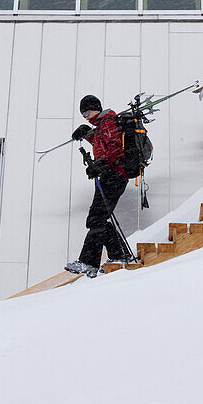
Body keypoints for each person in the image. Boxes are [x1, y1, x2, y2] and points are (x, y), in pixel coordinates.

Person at [64, 95, 130, 278]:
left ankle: (89, 263)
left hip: (115, 175)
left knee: (96, 218)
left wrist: (100, 165)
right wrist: (87, 134)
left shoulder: (107, 122)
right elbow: (101, 144)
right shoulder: (102, 125)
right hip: (110, 175)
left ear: (95, 108)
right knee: (99, 218)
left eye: (87, 112)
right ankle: (119, 256)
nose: (85, 116)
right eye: (82, 114)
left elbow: (115, 148)